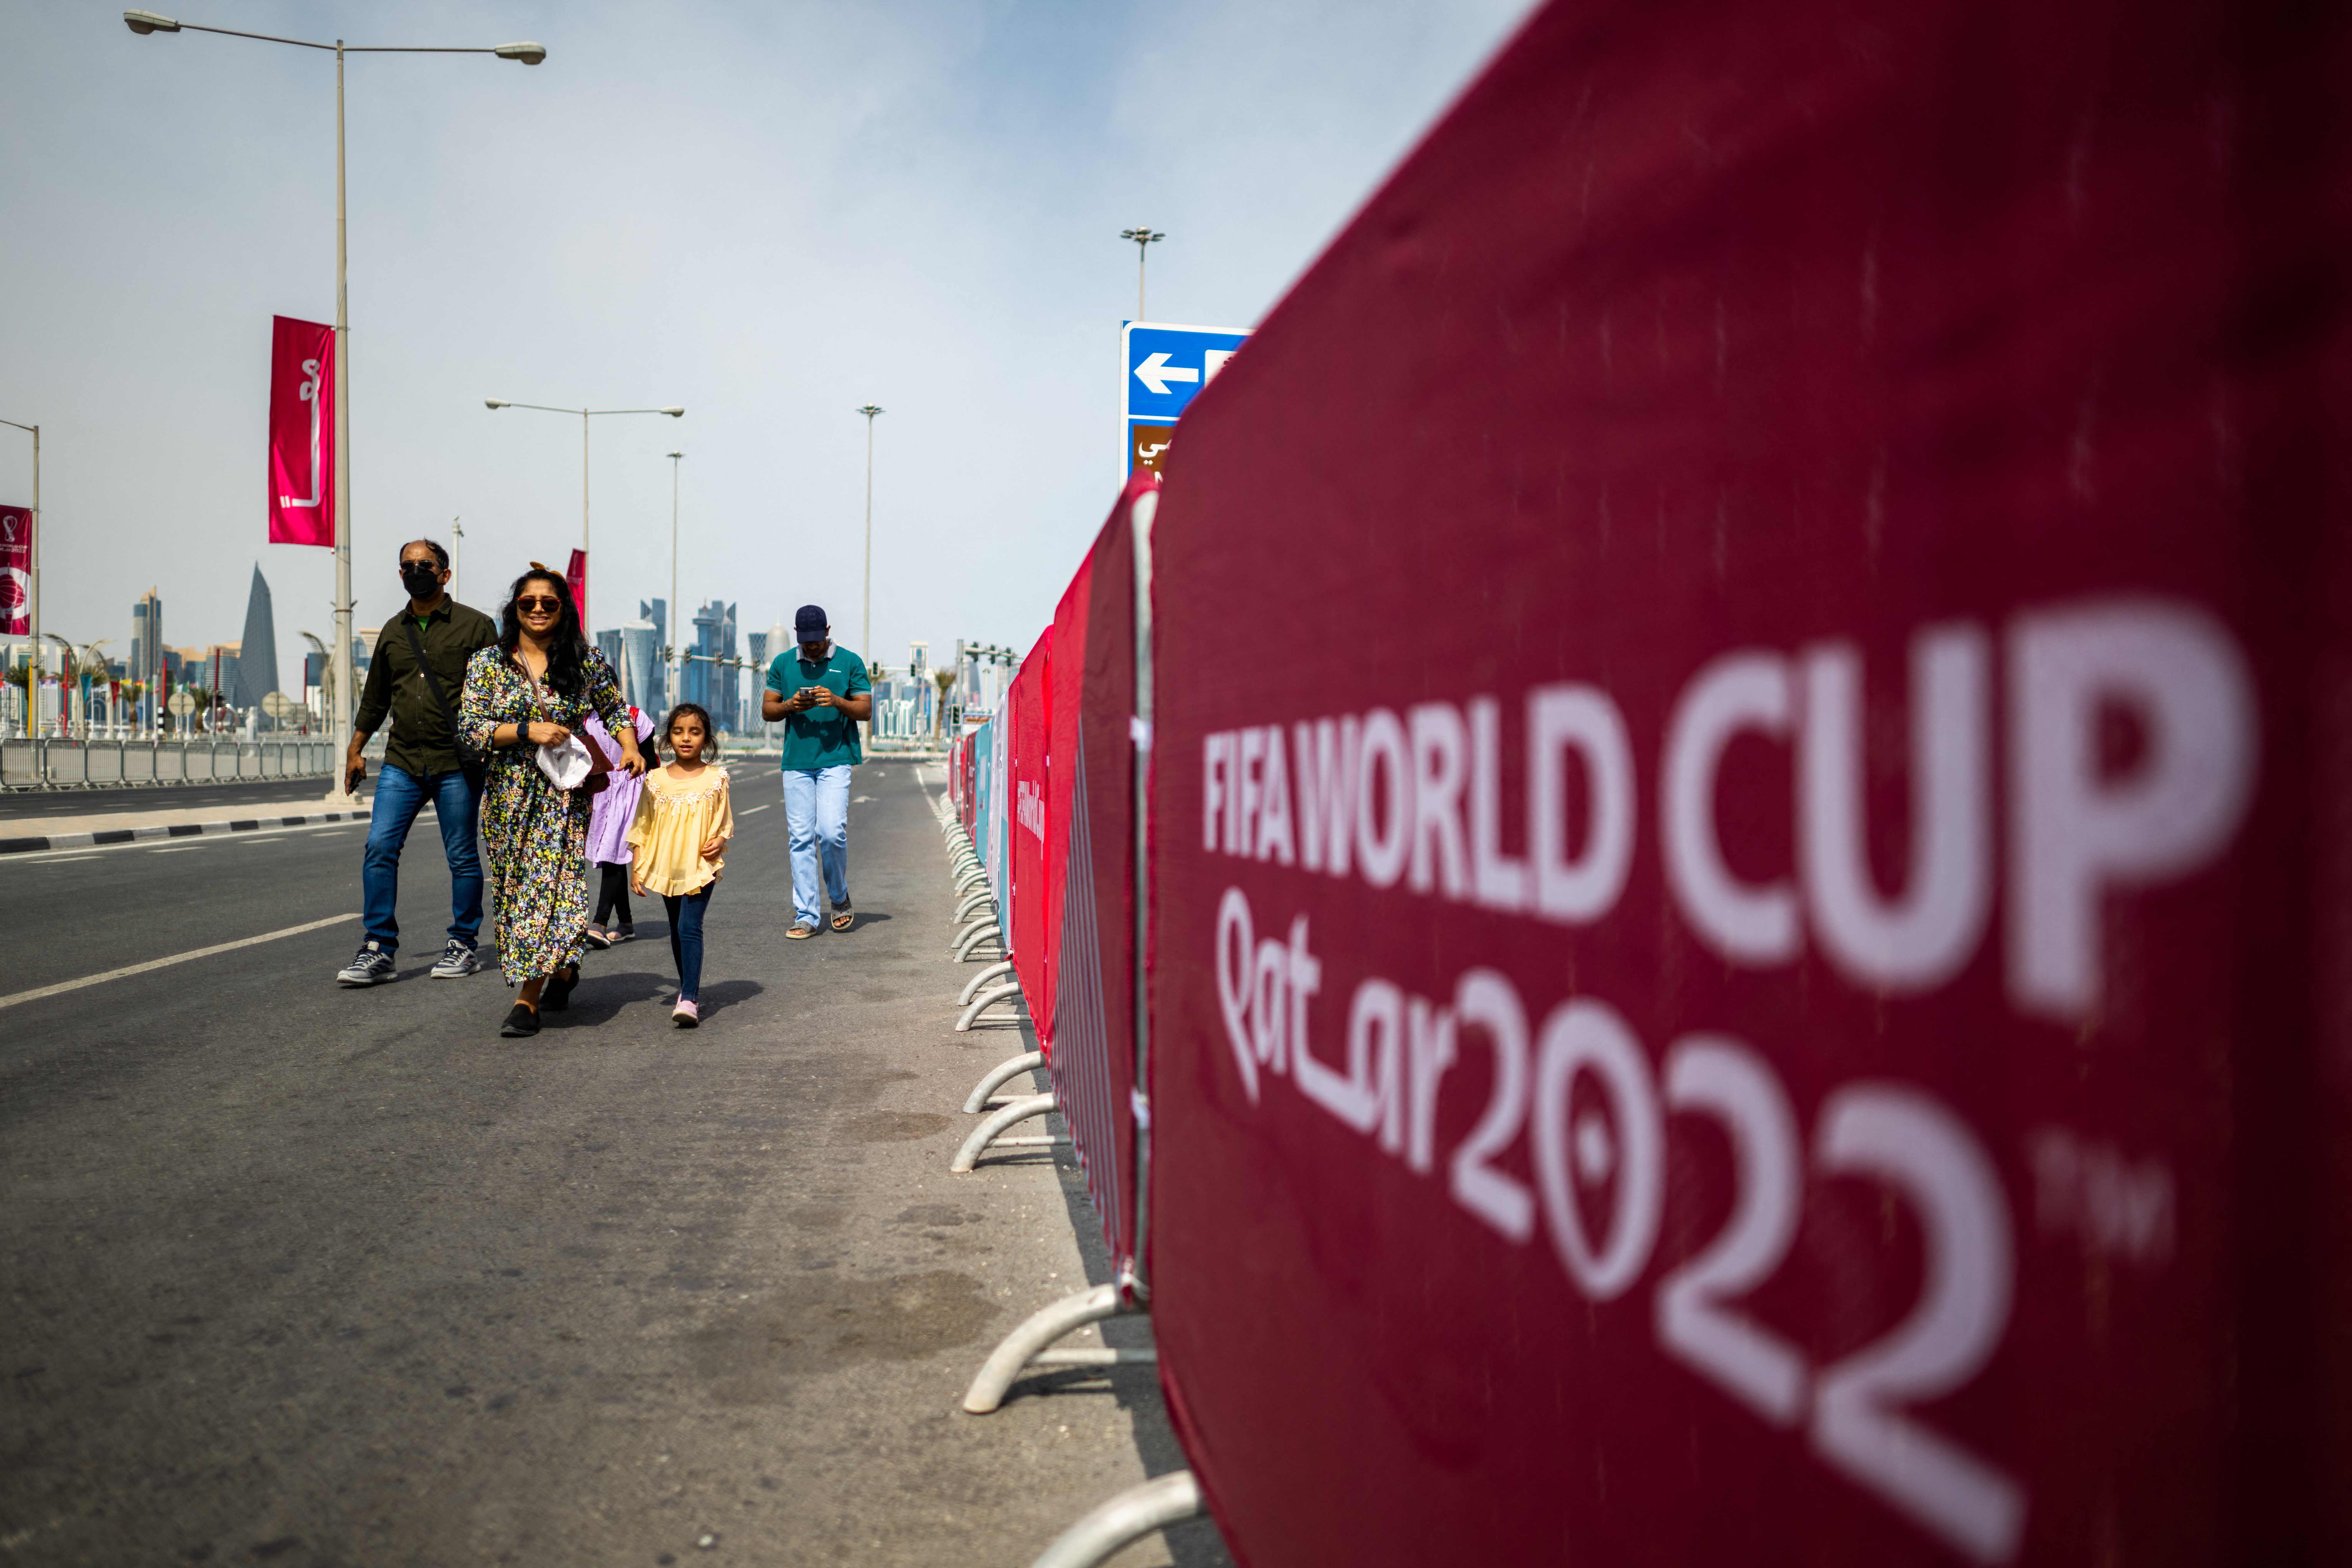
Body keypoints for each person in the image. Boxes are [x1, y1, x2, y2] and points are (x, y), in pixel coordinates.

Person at [456, 566, 645, 1038]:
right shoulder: (488, 663)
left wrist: (629, 747)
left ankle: (527, 999)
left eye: (549, 602)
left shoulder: (585, 660)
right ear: (514, 609)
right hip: (507, 795)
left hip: (562, 795)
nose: (538, 609)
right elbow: (470, 728)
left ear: (563, 610)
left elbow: (613, 707)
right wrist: (525, 730)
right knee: (515, 893)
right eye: (528, 603)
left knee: (551, 887)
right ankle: (562, 970)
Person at [337, 538, 499, 987]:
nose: (415, 571)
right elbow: (375, 698)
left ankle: (464, 944)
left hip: (456, 763)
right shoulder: (393, 631)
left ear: (445, 574)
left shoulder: (477, 627)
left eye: (424, 565)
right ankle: (378, 948)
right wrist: (355, 749)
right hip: (402, 760)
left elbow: (500, 694)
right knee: (379, 848)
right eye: (407, 566)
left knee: (462, 855)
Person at [761, 604, 871, 939]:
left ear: (827, 631)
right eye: (805, 641)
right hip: (796, 763)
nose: (811, 647)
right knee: (801, 839)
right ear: (797, 636)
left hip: (836, 759)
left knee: (831, 832)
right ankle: (807, 915)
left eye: (816, 640)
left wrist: (837, 701)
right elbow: (768, 710)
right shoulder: (782, 664)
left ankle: (838, 898)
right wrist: (790, 706)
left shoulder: (850, 662)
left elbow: (865, 710)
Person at [627, 703, 734, 1026]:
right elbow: (642, 825)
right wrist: (637, 866)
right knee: (676, 928)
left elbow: (723, 821)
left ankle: (689, 998)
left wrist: (720, 841)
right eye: (678, 731)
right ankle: (686, 988)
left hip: (701, 864)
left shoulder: (717, 778)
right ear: (668, 738)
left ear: (707, 739)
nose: (686, 738)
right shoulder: (655, 779)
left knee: (690, 927)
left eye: (695, 732)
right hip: (668, 865)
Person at [583, 703, 658, 948]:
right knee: (610, 854)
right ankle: (626, 924)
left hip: (631, 790)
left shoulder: (635, 716)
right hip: (600, 792)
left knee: (613, 853)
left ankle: (599, 923)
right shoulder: (585, 718)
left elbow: (650, 759)